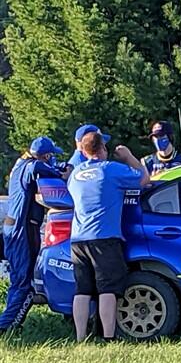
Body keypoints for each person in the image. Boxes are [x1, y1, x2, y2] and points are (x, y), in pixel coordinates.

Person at [67, 132, 150, 342]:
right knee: (108, 289)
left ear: (84, 151)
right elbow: (144, 178)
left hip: (78, 238)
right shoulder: (110, 170)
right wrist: (129, 156)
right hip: (104, 236)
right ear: (102, 148)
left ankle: (80, 337)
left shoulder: (75, 174)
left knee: (82, 290)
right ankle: (108, 336)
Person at [0, 137, 68, 332]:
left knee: (17, 279)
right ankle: (6, 326)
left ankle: (9, 321)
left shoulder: (20, 163)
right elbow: (41, 168)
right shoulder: (32, 166)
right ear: (45, 155)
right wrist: (59, 172)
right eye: (51, 155)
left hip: (13, 226)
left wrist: (58, 165)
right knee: (24, 281)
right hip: (23, 229)